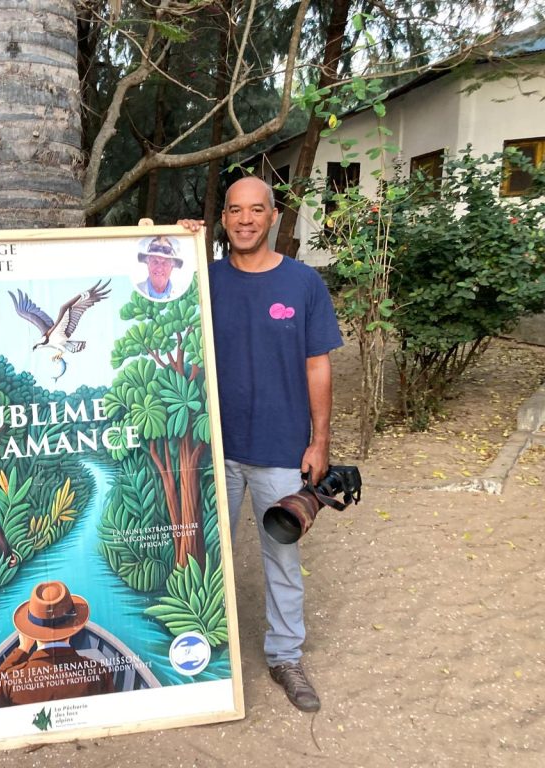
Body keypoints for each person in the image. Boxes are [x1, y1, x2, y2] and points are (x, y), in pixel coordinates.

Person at [180, 176, 342, 713]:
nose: (245, 219)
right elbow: (153, 288)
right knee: (203, 555)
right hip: (213, 451)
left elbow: (318, 364)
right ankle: (198, 656)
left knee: (281, 559)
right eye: (234, 210)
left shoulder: (303, 284)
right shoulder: (204, 279)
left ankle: (285, 657)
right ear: (223, 219)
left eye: (256, 210)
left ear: (274, 217)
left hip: (281, 450)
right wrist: (176, 245)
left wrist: (320, 441)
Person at [0, 581, 114, 708]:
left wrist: (22, 649)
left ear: (30, 632)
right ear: (73, 627)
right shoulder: (98, 672)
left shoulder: (11, 681)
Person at [135, 235, 184, 300]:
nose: (159, 268)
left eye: (165, 263)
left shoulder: (181, 294)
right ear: (147, 264)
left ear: (172, 267)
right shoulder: (137, 290)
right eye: (155, 262)